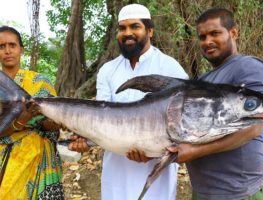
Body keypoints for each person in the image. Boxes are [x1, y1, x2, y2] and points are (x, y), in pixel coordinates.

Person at [68, 3, 189, 200]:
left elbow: (183, 126)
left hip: (156, 178)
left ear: (150, 31)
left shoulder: (170, 68)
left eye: (135, 26)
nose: (127, 33)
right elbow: (102, 120)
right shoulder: (108, 70)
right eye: (122, 28)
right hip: (117, 173)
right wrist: (86, 141)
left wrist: (153, 153)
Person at [167, 8, 263, 199]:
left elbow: (254, 127)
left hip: (238, 192)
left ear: (233, 33)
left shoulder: (249, 67)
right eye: (202, 36)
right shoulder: (202, 80)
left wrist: (195, 151)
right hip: (203, 191)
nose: (207, 41)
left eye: (215, 33)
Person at [0, 26, 64, 199]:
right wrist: (22, 120)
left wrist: (47, 121)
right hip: (13, 160)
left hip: (45, 159)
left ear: (21, 49)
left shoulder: (40, 81)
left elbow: (54, 124)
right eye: (1, 46)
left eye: (12, 45)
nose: (7, 51)